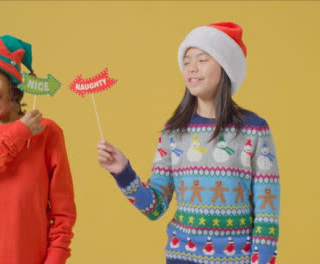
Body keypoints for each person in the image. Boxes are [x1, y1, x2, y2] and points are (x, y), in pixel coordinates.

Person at [97, 22, 280, 264]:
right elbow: (154, 207)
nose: (191, 68)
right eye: (186, 62)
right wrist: (123, 172)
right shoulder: (173, 131)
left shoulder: (254, 130)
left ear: (226, 66)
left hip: (237, 258)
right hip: (181, 256)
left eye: (202, 60)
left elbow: (267, 215)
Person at [0, 35, 76, 264]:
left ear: (12, 81)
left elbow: (63, 211)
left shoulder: (47, 132)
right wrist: (19, 133)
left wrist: (55, 258)